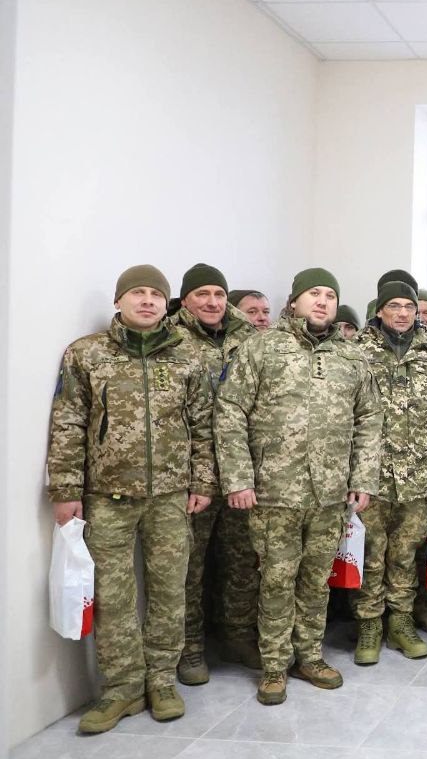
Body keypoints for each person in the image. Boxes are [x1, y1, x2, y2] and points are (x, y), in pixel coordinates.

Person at [48, 265, 216, 733]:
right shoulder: (86, 354)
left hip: (171, 497)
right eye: (137, 293)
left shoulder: (188, 356)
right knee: (112, 595)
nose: (147, 301)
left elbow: (204, 425)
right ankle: (122, 688)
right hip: (107, 497)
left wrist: (203, 482)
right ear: (119, 301)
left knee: (169, 590)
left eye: (156, 295)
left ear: (167, 304)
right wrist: (65, 489)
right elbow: (68, 422)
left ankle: (161, 680)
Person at [215, 268, 384, 706]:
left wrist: (363, 478)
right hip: (274, 491)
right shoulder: (261, 347)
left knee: (315, 580)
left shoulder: (352, 357)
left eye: (330, 295)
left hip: (330, 493)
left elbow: (369, 419)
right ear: (294, 301)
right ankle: (274, 665)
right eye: (314, 293)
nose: (323, 301)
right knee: (275, 579)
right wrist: (239, 478)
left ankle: (309, 655)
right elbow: (230, 412)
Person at [168, 264, 261, 686]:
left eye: (219, 294)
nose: (212, 302)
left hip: (242, 470)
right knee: (190, 566)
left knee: (242, 560)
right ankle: (189, 647)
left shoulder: (250, 338)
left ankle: (238, 635)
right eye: (202, 294)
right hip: (191, 475)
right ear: (186, 299)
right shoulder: (171, 338)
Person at [350, 280, 427, 665]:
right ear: (379, 310)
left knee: (407, 552)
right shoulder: (357, 350)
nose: (403, 313)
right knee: (370, 551)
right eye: (394, 306)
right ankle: (369, 624)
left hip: (416, 472)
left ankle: (401, 622)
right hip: (371, 473)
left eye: (409, 306)